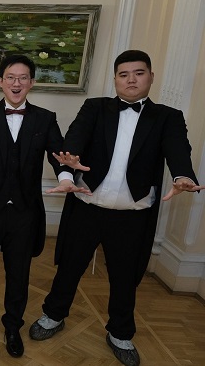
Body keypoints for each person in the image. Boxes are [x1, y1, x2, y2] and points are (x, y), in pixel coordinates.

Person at [29, 50, 203, 366]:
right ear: (115, 80)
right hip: (87, 206)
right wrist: (69, 161)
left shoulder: (167, 117)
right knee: (69, 266)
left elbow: (178, 150)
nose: (131, 79)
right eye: (124, 74)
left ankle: (120, 333)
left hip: (132, 215)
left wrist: (182, 176)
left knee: (125, 277)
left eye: (138, 73)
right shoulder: (95, 107)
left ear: (151, 76)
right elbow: (76, 136)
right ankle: (53, 315)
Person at [0, 54, 65, 358]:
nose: (16, 83)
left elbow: (58, 156)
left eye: (22, 78)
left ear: (31, 82)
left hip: (25, 210)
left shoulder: (45, 118)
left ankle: (13, 324)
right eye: (10, 77)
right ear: (0, 81)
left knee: (19, 270)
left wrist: (67, 177)